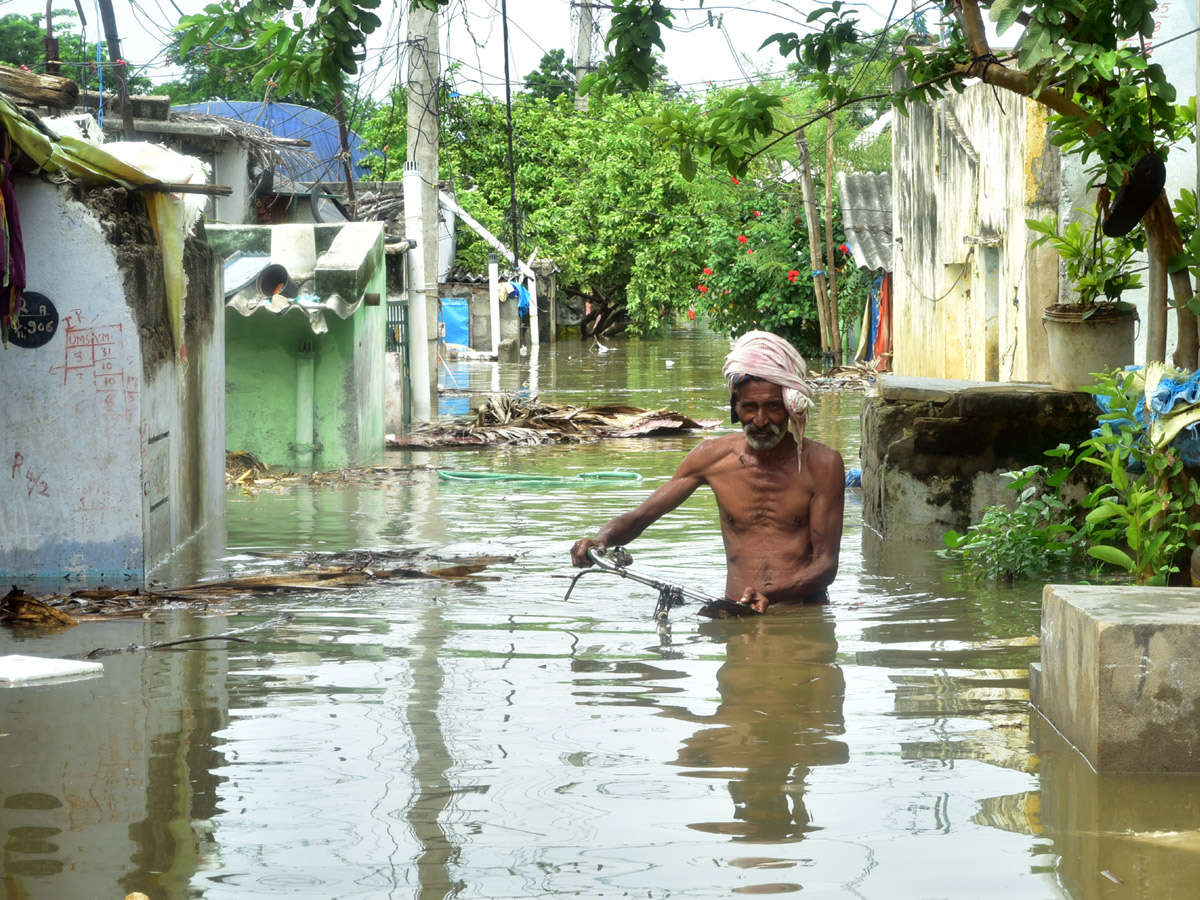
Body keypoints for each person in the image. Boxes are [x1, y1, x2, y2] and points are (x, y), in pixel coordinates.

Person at [570, 330, 845, 614]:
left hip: (803, 612)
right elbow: (640, 518)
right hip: (735, 611)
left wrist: (771, 595)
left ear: (790, 407)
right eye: (750, 407)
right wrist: (601, 538)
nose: (761, 420)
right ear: (735, 407)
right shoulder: (711, 457)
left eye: (773, 407)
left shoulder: (823, 465)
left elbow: (826, 565)